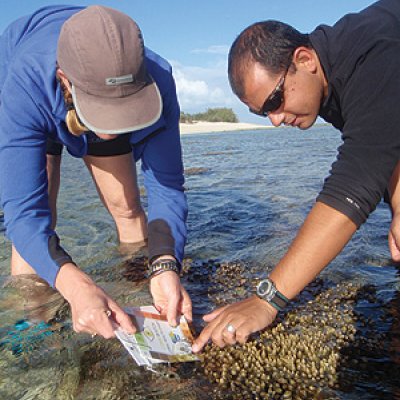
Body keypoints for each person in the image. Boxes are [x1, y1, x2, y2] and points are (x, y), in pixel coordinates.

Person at [192, 0, 400, 352]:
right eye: (262, 113)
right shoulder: (329, 78)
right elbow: (386, 134)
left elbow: (353, 185)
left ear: (305, 59)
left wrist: (267, 299)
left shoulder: (373, 55)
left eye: (274, 100)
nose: (274, 119)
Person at [0, 5, 192, 339]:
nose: (114, 132)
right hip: (36, 97)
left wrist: (165, 263)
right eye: (107, 114)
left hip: (98, 88)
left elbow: (167, 187)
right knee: (41, 204)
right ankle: (32, 322)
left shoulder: (157, 76)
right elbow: (24, 213)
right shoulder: (24, 81)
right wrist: (76, 285)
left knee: (127, 206)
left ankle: (139, 294)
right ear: (64, 80)